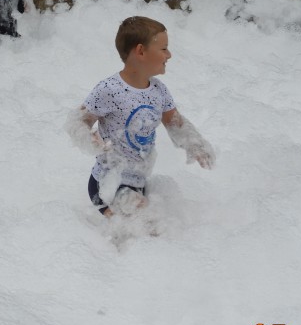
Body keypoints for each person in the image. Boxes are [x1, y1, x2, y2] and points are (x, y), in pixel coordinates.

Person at [67, 16, 215, 217]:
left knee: (154, 221)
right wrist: (87, 137)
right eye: (164, 49)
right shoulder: (109, 89)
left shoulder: (159, 91)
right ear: (141, 51)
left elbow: (174, 122)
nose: (169, 54)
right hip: (108, 182)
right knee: (145, 223)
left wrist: (195, 144)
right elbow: (78, 120)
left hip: (137, 182)